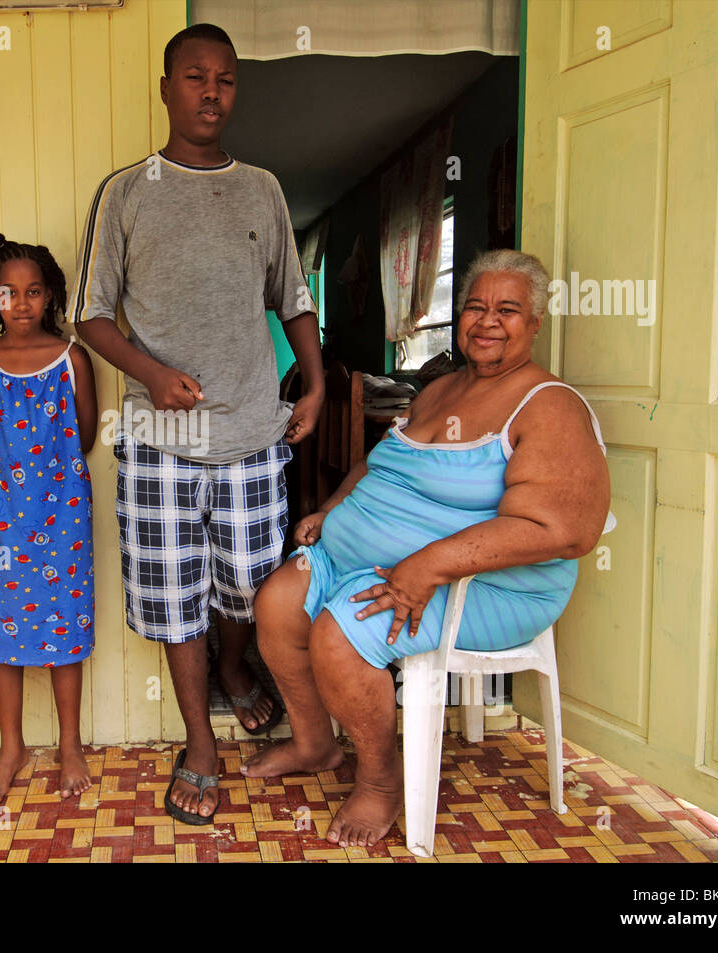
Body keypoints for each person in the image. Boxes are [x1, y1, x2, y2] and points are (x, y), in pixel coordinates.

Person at [241, 249, 611, 849]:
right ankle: (315, 743)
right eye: (475, 306)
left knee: (340, 635)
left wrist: (429, 564)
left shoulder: (548, 405)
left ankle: (382, 781)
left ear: (536, 323)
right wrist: (332, 511)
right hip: (376, 560)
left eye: (508, 310)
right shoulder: (441, 388)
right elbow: (379, 466)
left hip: (483, 586)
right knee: (277, 604)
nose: (487, 321)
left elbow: (563, 531)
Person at [68, 23, 325, 824]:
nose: (212, 92)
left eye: (225, 80)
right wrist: (148, 373)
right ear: (167, 88)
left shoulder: (263, 190)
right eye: (195, 77)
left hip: (252, 428)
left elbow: (295, 297)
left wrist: (314, 384)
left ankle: (238, 668)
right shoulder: (127, 191)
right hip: (161, 440)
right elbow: (90, 315)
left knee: (249, 588)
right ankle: (200, 743)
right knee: (174, 596)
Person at [0, 233, 99, 806]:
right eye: (8, 293)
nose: (21, 303)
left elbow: (86, 438)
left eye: (34, 292)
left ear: (50, 297)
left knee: (63, 631)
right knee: (0, 635)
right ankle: (11, 746)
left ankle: (70, 744)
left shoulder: (72, 360)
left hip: (63, 519)